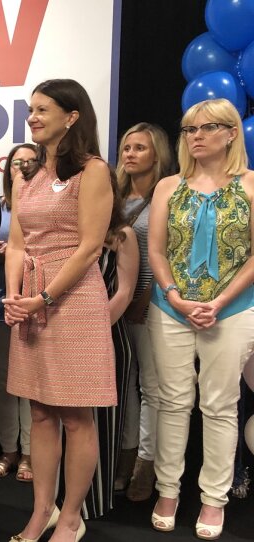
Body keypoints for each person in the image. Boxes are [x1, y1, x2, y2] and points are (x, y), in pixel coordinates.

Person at [4, 79, 115, 542]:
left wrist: (44, 297)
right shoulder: (25, 173)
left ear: (71, 116)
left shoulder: (93, 171)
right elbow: (16, 243)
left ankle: (72, 516)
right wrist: (15, 296)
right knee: (41, 414)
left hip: (72, 301)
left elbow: (90, 248)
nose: (32, 117)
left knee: (74, 416)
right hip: (28, 301)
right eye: (31, 109)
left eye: (43, 109)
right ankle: (41, 511)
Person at [148, 98, 254, 541]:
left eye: (206, 128)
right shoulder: (168, 186)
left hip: (231, 310)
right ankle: (167, 490)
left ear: (231, 133)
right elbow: (156, 250)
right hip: (171, 308)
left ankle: (214, 499)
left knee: (219, 404)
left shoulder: (251, 185)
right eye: (189, 129)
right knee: (172, 403)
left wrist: (219, 300)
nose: (195, 136)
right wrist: (176, 296)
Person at [113, 122, 174, 500]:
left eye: (140, 148)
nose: (130, 154)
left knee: (152, 388)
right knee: (122, 386)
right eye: (126, 147)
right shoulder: (112, 196)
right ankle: (125, 453)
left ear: (157, 154)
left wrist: (144, 299)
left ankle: (146, 466)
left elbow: (166, 255)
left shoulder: (166, 194)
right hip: (114, 306)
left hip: (153, 306)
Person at [78, 170, 138, 520]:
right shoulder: (75, 234)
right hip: (71, 337)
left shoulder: (122, 235)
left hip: (107, 339)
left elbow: (125, 292)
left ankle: (93, 504)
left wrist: (92, 329)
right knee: (69, 422)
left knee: (99, 424)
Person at [0, 143, 37, 482]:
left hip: (35, 308)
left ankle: (32, 455)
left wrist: (17, 255)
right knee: (0, 384)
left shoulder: (50, 207)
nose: (23, 168)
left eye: (31, 162)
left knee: (31, 386)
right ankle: (8, 450)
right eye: (17, 163)